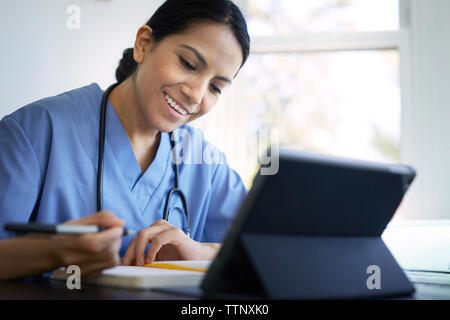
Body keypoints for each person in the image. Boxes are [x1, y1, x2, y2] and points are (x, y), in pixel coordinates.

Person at [0, 0, 250, 279]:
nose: (197, 94)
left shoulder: (207, 164)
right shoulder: (35, 131)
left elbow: (264, 250)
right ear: (143, 44)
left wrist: (197, 251)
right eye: (188, 64)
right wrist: (53, 252)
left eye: (215, 87)